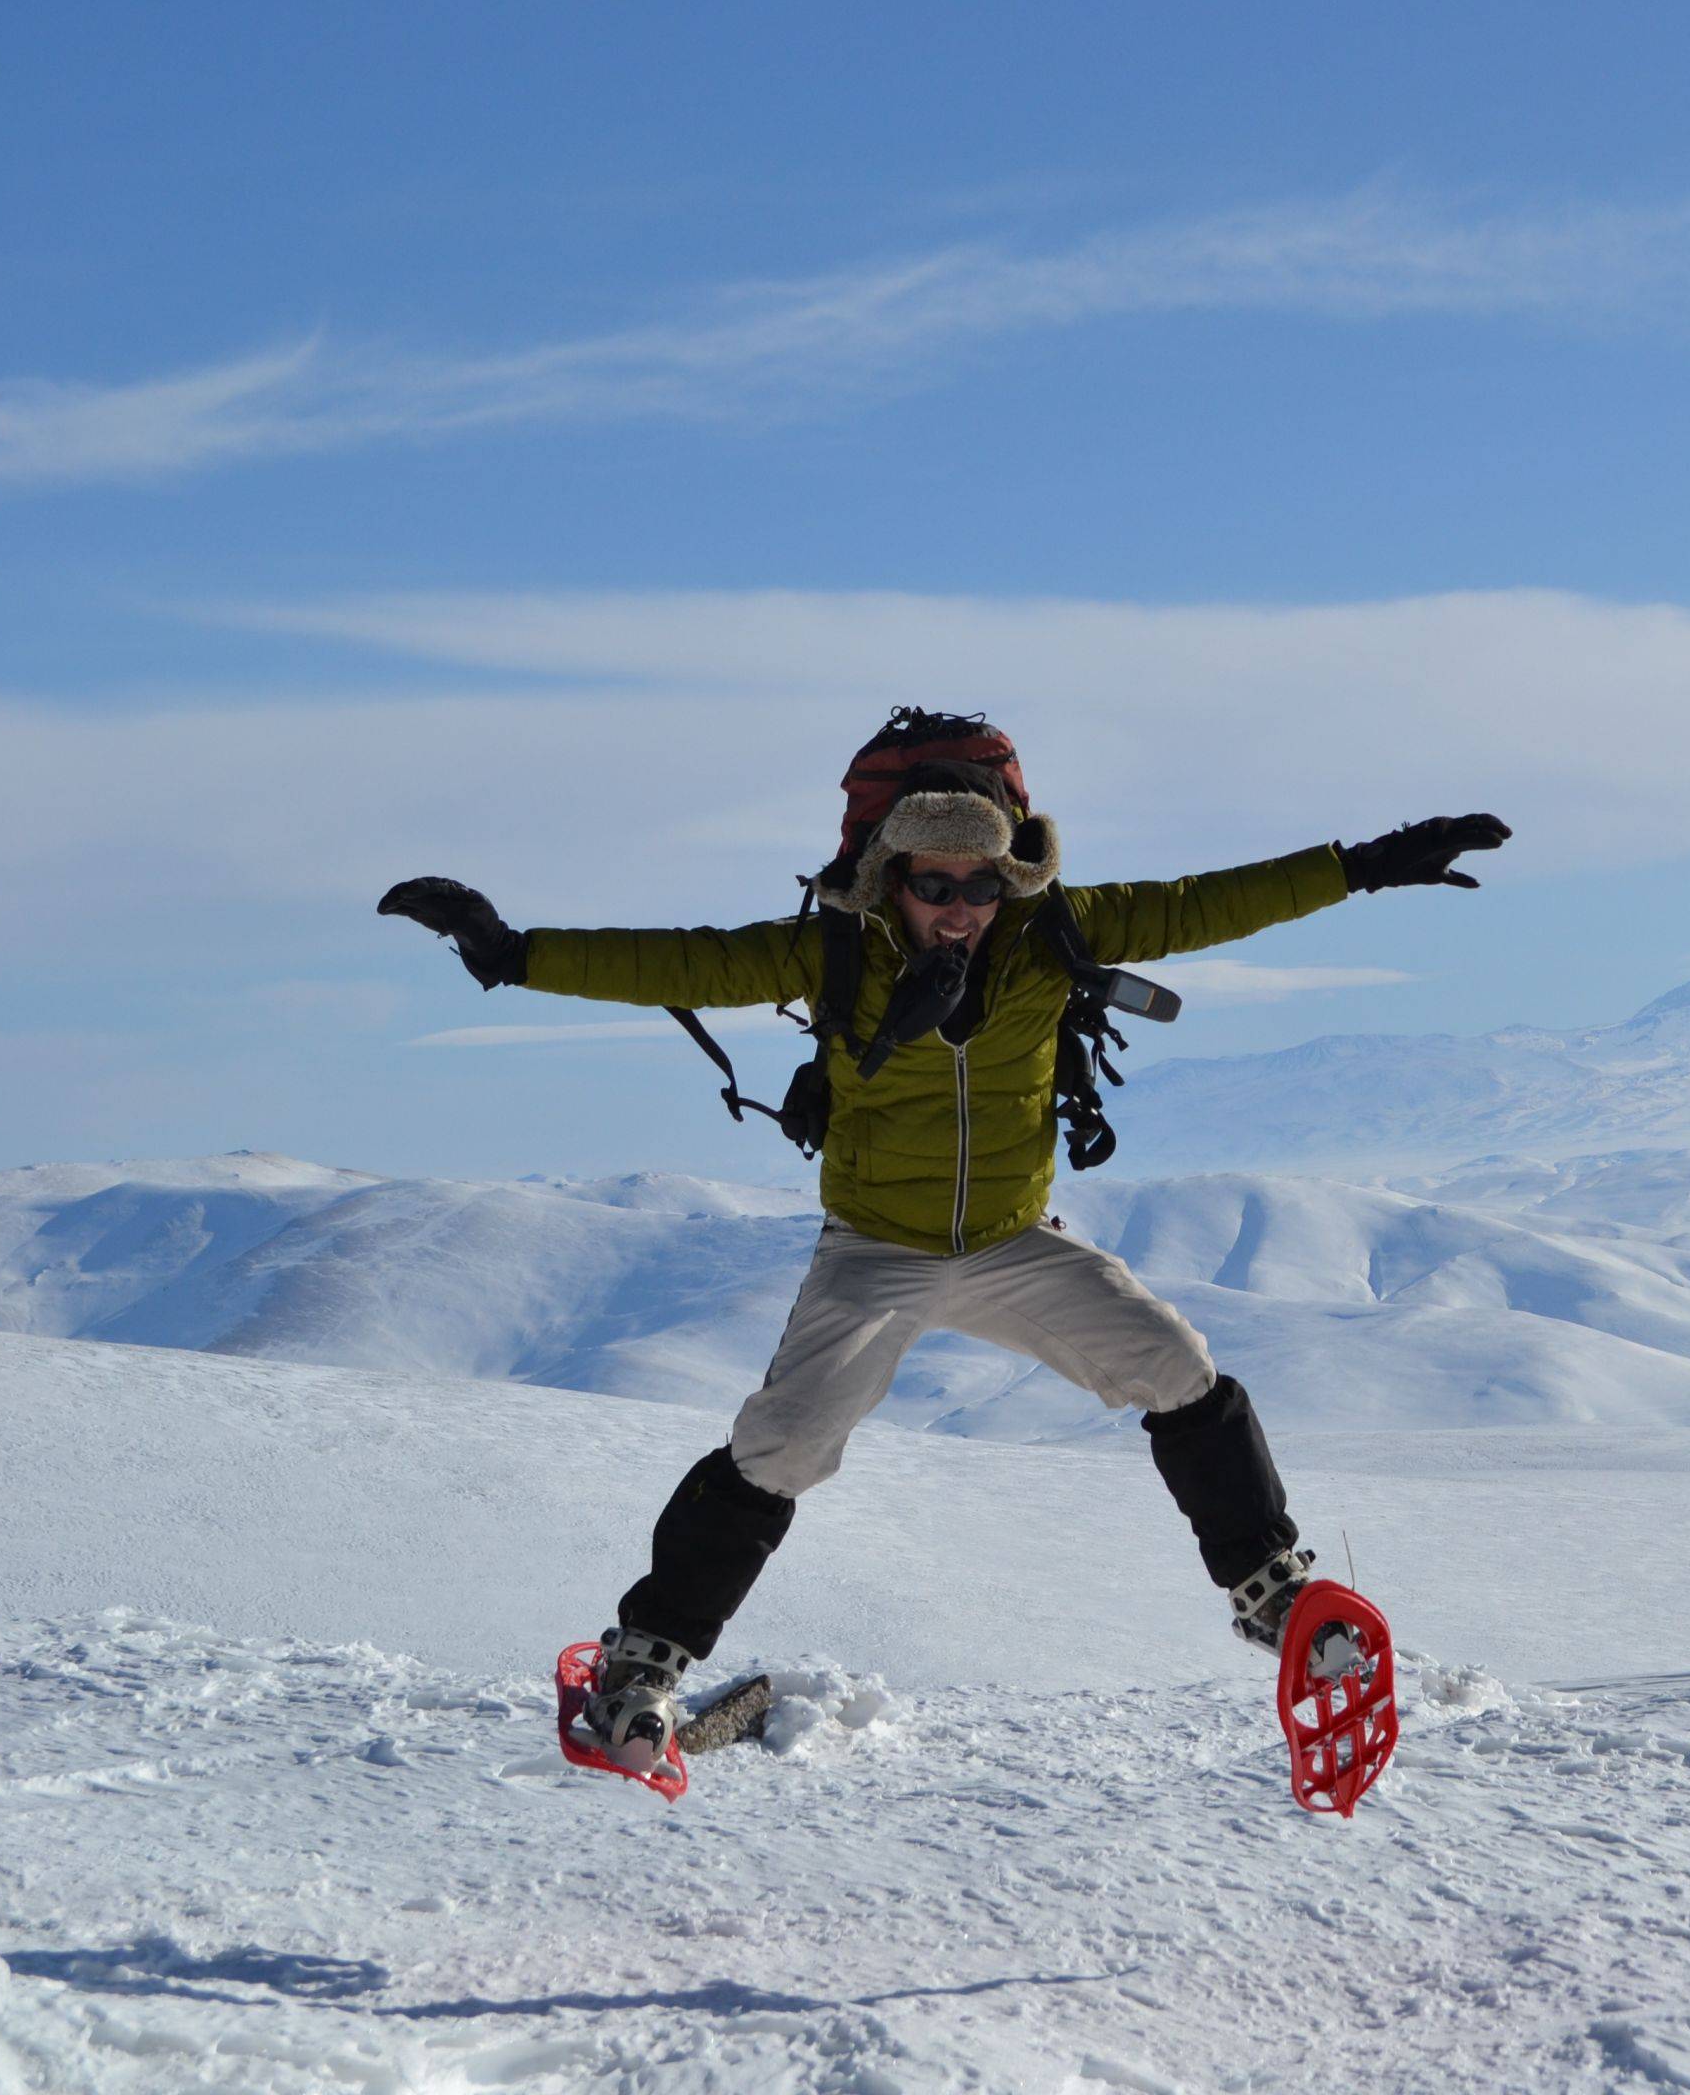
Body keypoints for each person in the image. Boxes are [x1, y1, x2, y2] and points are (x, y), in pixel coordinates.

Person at [381, 750, 1508, 1762]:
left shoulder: (1057, 935)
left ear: (1009, 879)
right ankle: (644, 1664)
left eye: (980, 884)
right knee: (782, 1445)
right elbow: (682, 961)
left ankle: (1277, 1599)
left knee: (1176, 1366)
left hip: (1015, 1242)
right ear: (890, 878)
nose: (959, 908)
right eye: (935, 884)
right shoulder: (835, 955)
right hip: (876, 1247)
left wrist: (1362, 867)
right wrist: (511, 953)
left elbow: (1210, 904)